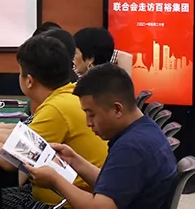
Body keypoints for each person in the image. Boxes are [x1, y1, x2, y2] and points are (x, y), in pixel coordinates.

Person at [0, 35, 108, 208]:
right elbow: (19, 140)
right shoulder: (67, 96)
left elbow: (10, 159)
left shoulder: (56, 108)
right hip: (72, 194)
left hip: (65, 203)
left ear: (29, 80)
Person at [27, 64, 176, 209]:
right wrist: (73, 160)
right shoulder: (146, 130)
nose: (88, 123)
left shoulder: (131, 147)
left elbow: (100, 206)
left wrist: (55, 180)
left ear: (117, 109)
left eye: (92, 114)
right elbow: (113, 185)